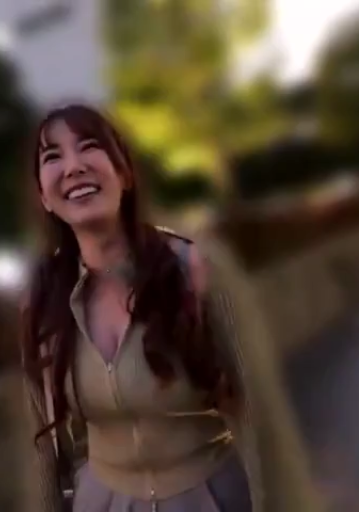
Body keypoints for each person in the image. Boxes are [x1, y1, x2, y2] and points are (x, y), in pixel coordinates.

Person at [21, 104, 320, 512]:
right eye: (52, 156)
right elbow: (43, 447)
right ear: (43, 195)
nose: (73, 167)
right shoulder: (43, 298)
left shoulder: (196, 268)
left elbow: (262, 418)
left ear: (125, 173)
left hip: (208, 498)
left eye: (89, 146)